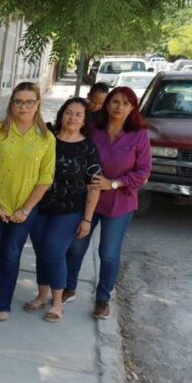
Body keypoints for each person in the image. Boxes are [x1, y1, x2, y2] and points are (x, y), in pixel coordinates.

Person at [64, 86, 152, 320]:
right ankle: (68, 287)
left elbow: (143, 172)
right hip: (87, 200)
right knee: (75, 245)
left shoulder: (139, 135)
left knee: (109, 253)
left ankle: (103, 299)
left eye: (125, 103)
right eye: (115, 101)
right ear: (107, 104)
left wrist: (113, 183)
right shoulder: (95, 129)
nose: (119, 106)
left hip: (119, 203)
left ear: (132, 107)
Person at [0, 82, 55, 321]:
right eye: (19, 101)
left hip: (24, 209)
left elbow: (45, 178)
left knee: (11, 255)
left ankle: (1, 303)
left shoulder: (46, 138)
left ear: (37, 104)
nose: (24, 106)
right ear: (12, 104)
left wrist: (26, 209)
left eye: (29, 101)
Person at [24, 98, 101, 322]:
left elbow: (94, 186)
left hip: (70, 209)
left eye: (78, 114)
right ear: (61, 114)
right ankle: (41, 295)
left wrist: (87, 220)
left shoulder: (88, 147)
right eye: (69, 112)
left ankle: (58, 303)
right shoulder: (47, 138)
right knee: (41, 251)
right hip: (40, 205)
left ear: (85, 120)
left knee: (54, 250)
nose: (72, 118)